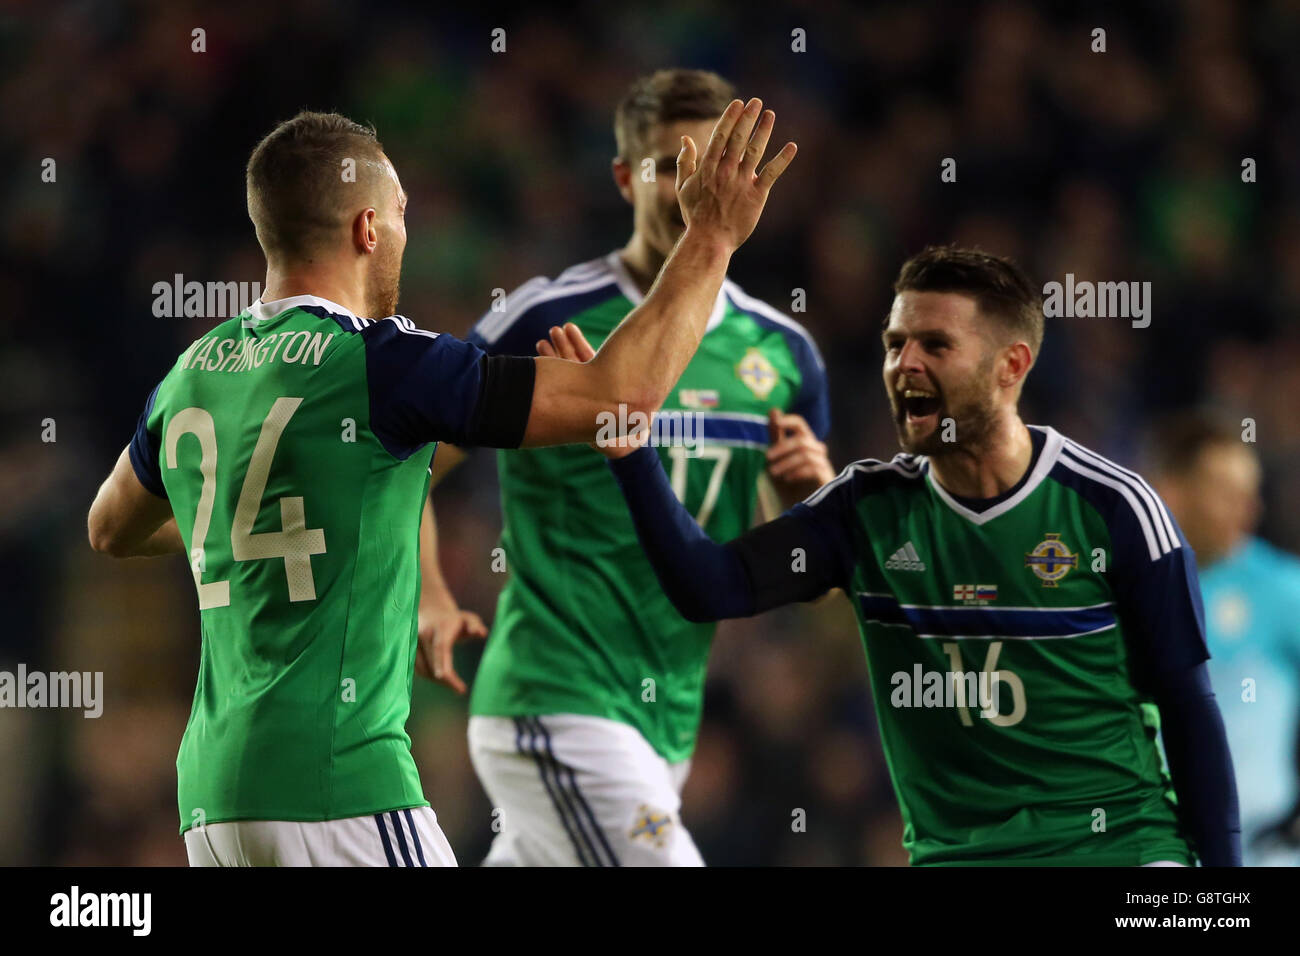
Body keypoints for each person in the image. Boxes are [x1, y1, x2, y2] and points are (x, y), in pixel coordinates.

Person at [85, 100, 796, 866]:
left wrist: (224, 523)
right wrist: (713, 237)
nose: (404, 234)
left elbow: (108, 528)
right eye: (399, 214)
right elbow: (621, 398)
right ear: (366, 228)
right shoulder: (384, 364)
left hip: (213, 804)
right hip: (342, 787)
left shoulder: (192, 373)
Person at [580, 244, 1240, 865]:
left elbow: (1188, 709)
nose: (905, 365)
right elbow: (711, 588)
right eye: (896, 344)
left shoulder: (1115, 511)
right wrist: (632, 452)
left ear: (1011, 366)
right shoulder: (866, 511)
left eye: (935, 345)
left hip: (1118, 852)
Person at [419, 69, 833, 867]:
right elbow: (408, 460)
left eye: (715, 168)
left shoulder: (784, 352)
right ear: (623, 176)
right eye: (672, 167)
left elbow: (802, 567)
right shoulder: (541, 317)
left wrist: (813, 502)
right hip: (555, 696)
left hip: (667, 719)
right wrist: (432, 594)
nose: (696, 192)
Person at [1151, 411, 1300, 866]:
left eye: (1250, 494)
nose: (1249, 508)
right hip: (1159, 848)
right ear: (1173, 491)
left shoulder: (1282, 588)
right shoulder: (1132, 592)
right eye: (1227, 493)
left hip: (1265, 851)